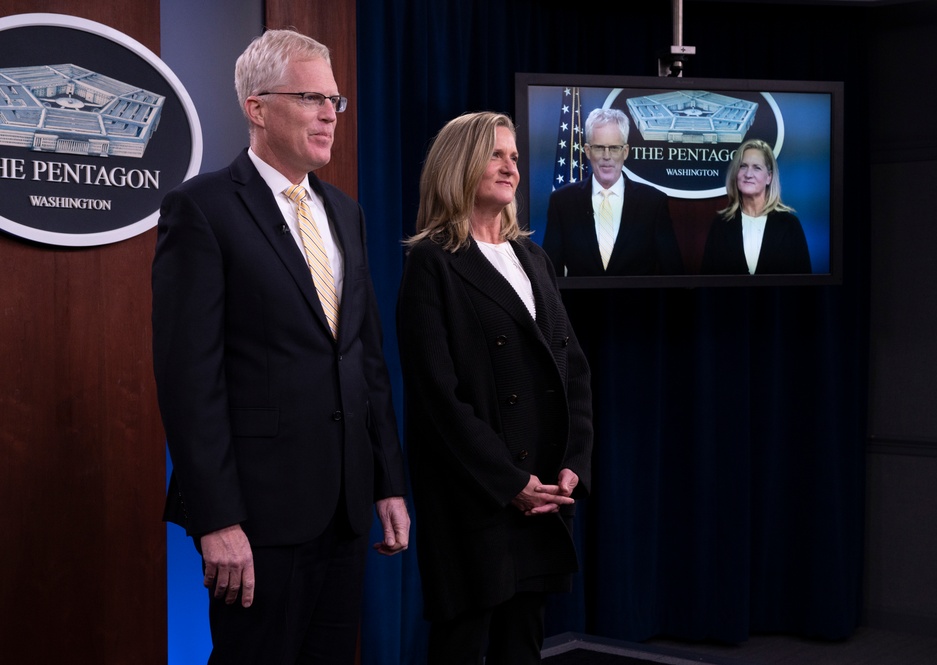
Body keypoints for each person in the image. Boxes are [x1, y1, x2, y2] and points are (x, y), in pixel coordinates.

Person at [151, 28, 409, 664]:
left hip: (344, 507)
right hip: (257, 516)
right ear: (256, 107)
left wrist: (387, 480)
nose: (329, 113)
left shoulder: (344, 212)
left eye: (335, 101)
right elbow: (190, 380)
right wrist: (216, 519)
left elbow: (365, 360)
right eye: (310, 97)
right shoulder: (202, 208)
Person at [396, 111, 594, 664]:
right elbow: (437, 398)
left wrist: (574, 463)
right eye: (495, 155)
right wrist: (510, 482)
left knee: (522, 646)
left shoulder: (533, 258)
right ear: (460, 166)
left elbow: (572, 370)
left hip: (543, 495)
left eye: (514, 157)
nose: (511, 167)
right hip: (476, 498)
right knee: (462, 646)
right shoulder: (432, 262)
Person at [543, 107, 683, 276]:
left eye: (614, 148)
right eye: (599, 148)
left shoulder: (653, 203)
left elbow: (673, 275)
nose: (606, 156)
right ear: (587, 151)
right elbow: (550, 276)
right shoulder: (563, 201)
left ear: (625, 151)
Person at [700, 138, 812, 275]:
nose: (748, 174)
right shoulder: (721, 224)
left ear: (769, 177)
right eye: (743, 166)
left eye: (757, 168)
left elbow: (804, 284)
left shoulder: (789, 225)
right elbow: (707, 282)